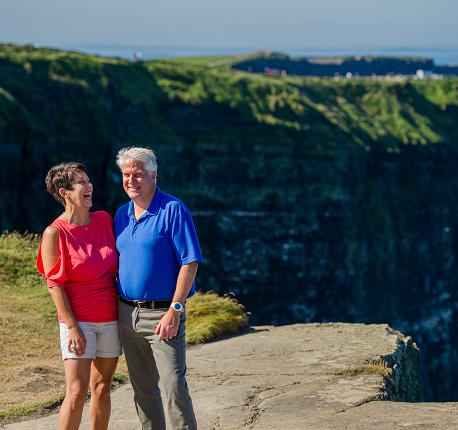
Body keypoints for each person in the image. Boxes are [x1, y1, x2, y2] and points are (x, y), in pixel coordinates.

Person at [115, 147, 202, 430]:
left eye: (138, 174)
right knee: (142, 389)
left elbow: (190, 262)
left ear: (153, 175)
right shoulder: (121, 215)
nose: (131, 180)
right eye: (127, 174)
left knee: (174, 386)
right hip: (127, 314)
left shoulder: (173, 209)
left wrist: (176, 308)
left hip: (163, 314)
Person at [36, 162, 121, 430]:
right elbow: (55, 285)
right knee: (75, 391)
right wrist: (72, 328)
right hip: (78, 321)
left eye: (88, 179)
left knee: (102, 387)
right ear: (65, 192)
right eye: (81, 182)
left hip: (110, 317)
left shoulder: (105, 220)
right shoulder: (54, 232)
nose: (89, 185)